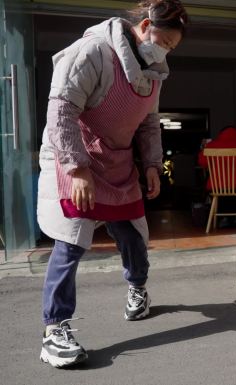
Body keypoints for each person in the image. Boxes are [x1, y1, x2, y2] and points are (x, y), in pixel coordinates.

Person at [36, 0, 188, 368]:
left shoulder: (153, 70)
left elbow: (150, 124)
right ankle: (55, 329)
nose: (165, 50)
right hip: (77, 154)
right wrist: (76, 169)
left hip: (118, 162)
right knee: (71, 241)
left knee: (132, 236)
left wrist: (152, 165)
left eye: (172, 47)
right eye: (164, 41)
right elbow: (61, 110)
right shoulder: (92, 51)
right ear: (146, 25)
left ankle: (138, 289)